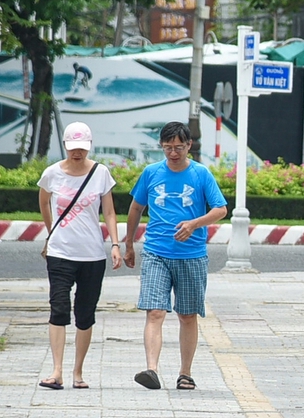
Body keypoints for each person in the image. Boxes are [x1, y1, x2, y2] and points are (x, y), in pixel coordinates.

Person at [124, 120, 227, 390]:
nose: (173, 153)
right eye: (168, 147)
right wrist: (129, 243)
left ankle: (185, 373)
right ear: (161, 146)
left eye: (179, 147)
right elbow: (135, 209)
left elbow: (221, 209)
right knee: (155, 311)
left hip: (192, 255)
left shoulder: (201, 174)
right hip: (157, 252)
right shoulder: (151, 172)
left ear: (189, 145)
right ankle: (151, 370)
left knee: (187, 314)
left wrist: (194, 224)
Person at [37, 121, 121, 390]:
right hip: (61, 252)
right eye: (73, 149)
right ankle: (57, 370)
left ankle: (78, 372)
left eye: (82, 149)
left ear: (89, 147)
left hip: (92, 255)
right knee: (58, 308)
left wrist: (116, 244)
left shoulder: (101, 173)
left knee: (85, 314)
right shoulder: (52, 173)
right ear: (64, 146)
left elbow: (109, 212)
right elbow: (43, 202)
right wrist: (52, 232)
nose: (77, 154)